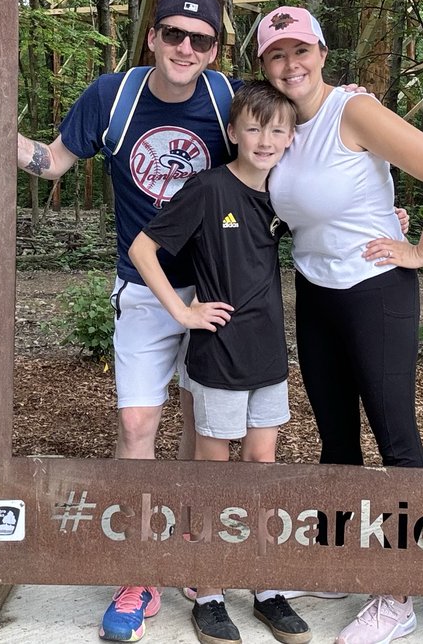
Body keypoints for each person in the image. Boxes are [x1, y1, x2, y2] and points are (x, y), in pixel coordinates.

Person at [17, 0, 238, 642]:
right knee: (137, 422)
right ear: (152, 37)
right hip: (141, 289)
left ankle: (199, 563)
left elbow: (289, 155)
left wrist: (379, 205)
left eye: (200, 40)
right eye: (174, 34)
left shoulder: (229, 99)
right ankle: (140, 572)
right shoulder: (113, 96)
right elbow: (52, 162)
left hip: (212, 290)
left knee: (206, 432)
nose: (185, 48)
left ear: (214, 51)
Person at [256, 6, 423, 644]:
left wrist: (421, 251)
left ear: (321, 51)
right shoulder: (285, 124)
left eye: (301, 51)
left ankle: (400, 594)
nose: (290, 65)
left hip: (375, 289)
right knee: (336, 441)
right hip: (317, 290)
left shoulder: (353, 110)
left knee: (396, 441)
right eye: (276, 55)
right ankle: (337, 563)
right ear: (264, 66)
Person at [129, 82, 312, 644]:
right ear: (233, 133)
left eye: (277, 129)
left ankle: (260, 585)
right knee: (212, 471)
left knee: (259, 465)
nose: (265, 139)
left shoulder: (288, 193)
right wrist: (183, 311)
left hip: (269, 355)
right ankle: (207, 588)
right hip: (218, 354)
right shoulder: (208, 188)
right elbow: (142, 248)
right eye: (253, 128)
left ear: (290, 138)